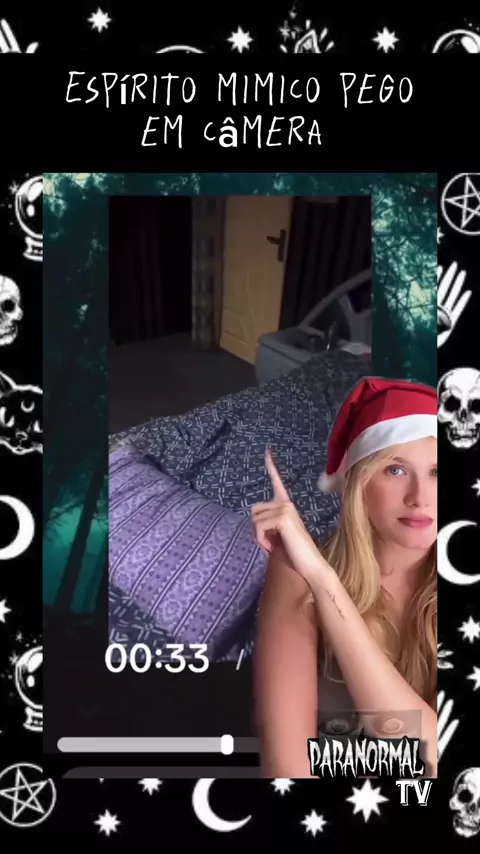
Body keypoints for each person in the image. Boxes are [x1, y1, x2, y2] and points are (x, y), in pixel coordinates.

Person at [252, 377, 437, 778]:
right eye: (395, 469)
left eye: (438, 472)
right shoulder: (298, 567)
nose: (420, 497)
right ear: (359, 481)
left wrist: (326, 585)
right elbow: (287, 767)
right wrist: (320, 576)